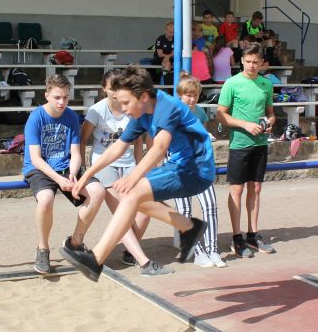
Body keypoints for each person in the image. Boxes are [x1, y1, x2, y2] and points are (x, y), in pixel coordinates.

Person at [62, 66, 216, 281]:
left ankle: (95, 259)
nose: (123, 108)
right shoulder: (140, 111)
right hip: (179, 165)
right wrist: (87, 175)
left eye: (126, 102)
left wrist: (133, 177)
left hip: (196, 169)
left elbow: (159, 148)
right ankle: (188, 227)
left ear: (143, 96)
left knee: (131, 193)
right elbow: (118, 147)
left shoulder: (167, 107)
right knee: (133, 198)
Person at [81, 70, 173, 276]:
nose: (115, 93)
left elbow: (138, 141)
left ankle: (128, 252)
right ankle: (144, 262)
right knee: (121, 213)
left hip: (128, 163)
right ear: (104, 89)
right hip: (105, 165)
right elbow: (83, 139)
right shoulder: (97, 110)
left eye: (118, 88)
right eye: (111, 88)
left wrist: (140, 167)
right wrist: (84, 170)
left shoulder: (131, 108)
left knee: (145, 208)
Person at [22, 74, 106, 274]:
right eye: (57, 97)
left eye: (66, 97)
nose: (62, 102)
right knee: (46, 199)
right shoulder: (36, 117)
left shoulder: (71, 116)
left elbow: (75, 153)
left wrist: (73, 173)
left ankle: (75, 242)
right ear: (47, 96)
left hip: (66, 167)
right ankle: (43, 249)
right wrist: (59, 179)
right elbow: (36, 159)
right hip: (41, 168)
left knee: (98, 192)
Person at [217, 42, 275, 258]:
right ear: (241, 60)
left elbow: (271, 113)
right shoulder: (232, 83)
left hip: (260, 143)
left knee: (256, 188)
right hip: (239, 144)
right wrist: (244, 125)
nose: (251, 65)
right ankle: (236, 236)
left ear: (262, 63)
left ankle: (252, 234)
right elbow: (220, 114)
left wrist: (269, 122)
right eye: (248, 61)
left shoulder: (266, 84)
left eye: (255, 62)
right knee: (237, 190)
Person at [174, 75, 225, 268]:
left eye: (195, 95)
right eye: (188, 95)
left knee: (210, 205)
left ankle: (213, 249)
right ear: (180, 95)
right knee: (184, 211)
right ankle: (196, 251)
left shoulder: (200, 112)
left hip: (201, 166)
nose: (192, 99)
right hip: (179, 168)